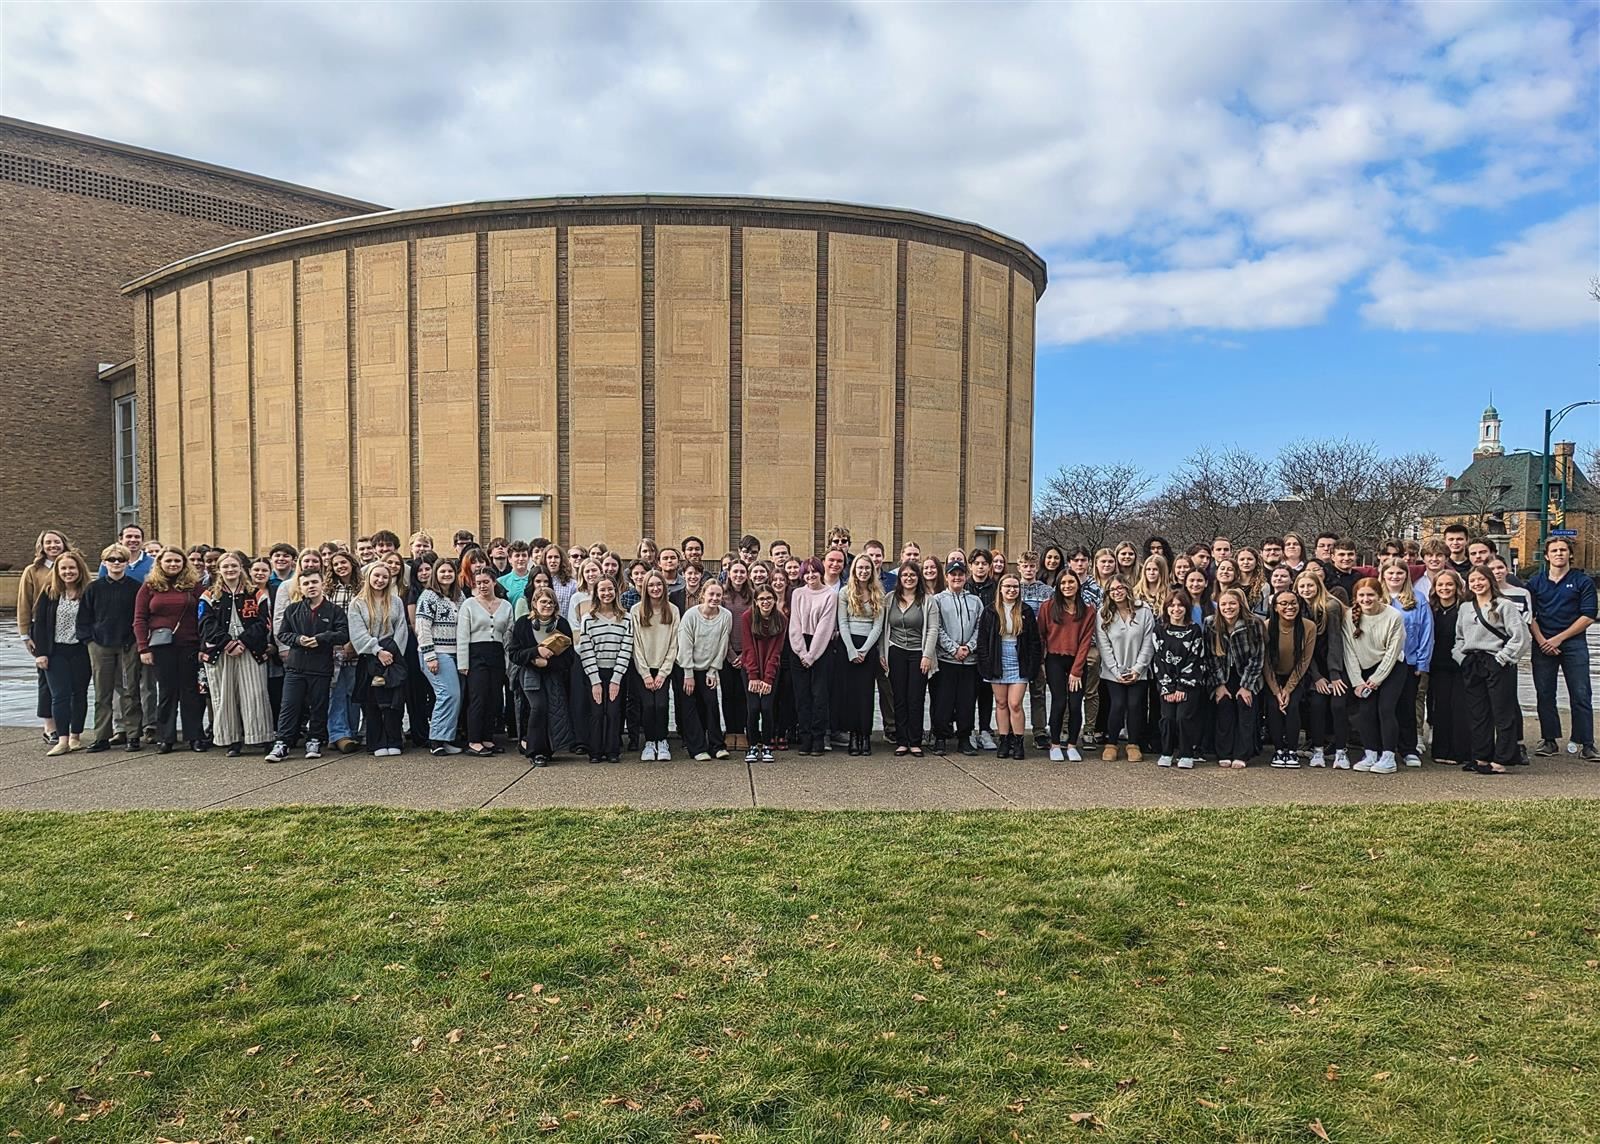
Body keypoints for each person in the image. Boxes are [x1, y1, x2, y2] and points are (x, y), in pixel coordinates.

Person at [265, 569, 347, 763]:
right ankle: (282, 743)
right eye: (306, 583)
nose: (311, 586)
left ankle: (315, 739)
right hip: (296, 666)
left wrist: (321, 638)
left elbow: (344, 633)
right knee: (289, 705)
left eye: (314, 582)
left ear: (322, 584)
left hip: (321, 666)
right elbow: (283, 634)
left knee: (319, 705)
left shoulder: (334, 611)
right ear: (300, 587)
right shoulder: (292, 610)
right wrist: (298, 639)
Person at [197, 550, 274, 756]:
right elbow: (206, 624)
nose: (230, 570)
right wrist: (227, 644)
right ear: (219, 570)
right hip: (221, 652)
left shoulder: (257, 594)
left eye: (234, 566)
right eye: (226, 566)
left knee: (255, 693)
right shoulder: (209, 595)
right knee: (225, 695)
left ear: (241, 568)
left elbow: (264, 623)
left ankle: (261, 736)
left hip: (250, 649)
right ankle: (232, 740)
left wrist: (242, 642)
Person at [1526, 537, 1597, 759]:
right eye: (1554, 551)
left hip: (1573, 643)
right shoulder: (1535, 583)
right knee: (1545, 693)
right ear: (1546, 555)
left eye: (1563, 550)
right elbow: (1530, 615)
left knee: (1581, 693)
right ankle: (1549, 740)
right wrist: (1542, 640)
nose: (1559, 554)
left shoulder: (1582, 582)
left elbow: (1588, 616)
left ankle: (1586, 742)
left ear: (1569, 554)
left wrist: (1559, 639)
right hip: (1543, 644)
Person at [1454, 566, 1528, 775]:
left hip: (1497, 661)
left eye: (1481, 580)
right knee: (1478, 713)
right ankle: (1481, 756)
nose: (1477, 584)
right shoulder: (1465, 607)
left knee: (1502, 712)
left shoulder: (1505, 606)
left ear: (1489, 581)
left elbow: (1520, 637)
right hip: (1472, 661)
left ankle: (1502, 758)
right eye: (1473, 580)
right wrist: (1461, 657)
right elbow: (1459, 637)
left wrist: (1502, 658)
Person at [134, 546, 205, 755]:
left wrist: (204, 645)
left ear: (184, 563)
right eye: (169, 561)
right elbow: (139, 619)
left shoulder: (194, 586)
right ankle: (165, 737)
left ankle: (195, 736)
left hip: (190, 645)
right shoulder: (149, 587)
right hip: (161, 647)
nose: (173, 564)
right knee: (166, 691)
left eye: (177, 561)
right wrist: (142, 647)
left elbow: (205, 615)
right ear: (160, 563)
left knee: (191, 691)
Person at [81, 543, 144, 752]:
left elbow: (141, 616)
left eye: (120, 560)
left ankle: (133, 735)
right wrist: (90, 640)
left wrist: (136, 640)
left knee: (130, 690)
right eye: (112, 560)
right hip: (100, 645)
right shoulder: (94, 588)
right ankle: (101, 737)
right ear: (104, 563)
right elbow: (84, 618)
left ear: (127, 562)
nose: (116, 563)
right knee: (102, 693)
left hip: (128, 644)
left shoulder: (136, 588)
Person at [32, 548, 93, 756]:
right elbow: (39, 624)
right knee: (60, 695)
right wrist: (40, 653)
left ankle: (76, 736)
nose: (68, 572)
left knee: (80, 694)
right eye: (64, 568)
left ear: (79, 570)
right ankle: (62, 739)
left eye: (72, 568)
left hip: (81, 650)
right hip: (55, 650)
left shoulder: (88, 592)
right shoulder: (50, 592)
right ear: (57, 571)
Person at [1343, 577, 1405, 774]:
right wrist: (1357, 682)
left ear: (1380, 596)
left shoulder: (1394, 616)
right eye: (1361, 595)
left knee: (1385, 709)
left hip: (1391, 667)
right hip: (1363, 669)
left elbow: (1393, 652)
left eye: (1371, 595)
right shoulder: (1349, 616)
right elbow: (1349, 651)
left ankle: (1388, 756)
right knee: (1365, 711)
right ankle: (1370, 753)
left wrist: (1376, 680)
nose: (1366, 599)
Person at [977, 573, 1043, 759]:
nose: (1012, 590)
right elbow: (982, 641)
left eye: (1015, 587)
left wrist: (1032, 667)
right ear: (1000, 589)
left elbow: (1034, 642)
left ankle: (1018, 741)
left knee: (1015, 703)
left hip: (1018, 660)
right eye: (1007, 586)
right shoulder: (990, 611)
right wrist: (985, 663)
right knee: (1001, 703)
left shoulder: (1026, 611)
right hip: (997, 659)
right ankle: (1004, 740)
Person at [507, 587, 576, 766]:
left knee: (554, 708)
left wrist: (549, 663)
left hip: (553, 674)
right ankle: (535, 751)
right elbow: (514, 654)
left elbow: (569, 658)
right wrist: (536, 652)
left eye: (551, 602)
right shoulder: (523, 624)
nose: (547, 605)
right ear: (534, 604)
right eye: (543, 601)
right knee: (538, 707)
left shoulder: (562, 625)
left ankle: (549, 749)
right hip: (529, 674)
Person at [349, 562, 409, 757]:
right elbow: (357, 632)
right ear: (369, 577)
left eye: (385, 577)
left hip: (393, 657)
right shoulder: (357, 603)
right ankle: (376, 743)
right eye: (376, 576)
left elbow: (401, 628)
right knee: (373, 703)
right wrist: (377, 650)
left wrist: (393, 653)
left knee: (393, 703)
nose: (380, 580)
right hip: (369, 657)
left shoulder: (396, 601)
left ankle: (394, 741)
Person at [881, 561, 939, 758]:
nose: (909, 578)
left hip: (918, 653)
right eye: (905, 575)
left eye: (912, 575)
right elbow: (883, 630)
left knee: (915, 697)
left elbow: (932, 629)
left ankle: (915, 741)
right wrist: (883, 654)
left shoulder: (928, 600)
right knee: (899, 698)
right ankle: (902, 741)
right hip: (896, 651)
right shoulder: (889, 599)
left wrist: (927, 655)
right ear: (900, 578)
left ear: (918, 577)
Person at [1095, 578, 1155, 762]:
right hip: (1113, 672)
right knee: (1118, 704)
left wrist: (1137, 669)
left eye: (1120, 587)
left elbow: (1148, 642)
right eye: (1112, 589)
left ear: (1128, 589)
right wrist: (1116, 671)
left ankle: (1133, 744)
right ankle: (1111, 743)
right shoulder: (1103, 614)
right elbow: (1103, 646)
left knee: (1136, 705)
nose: (1117, 592)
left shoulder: (1144, 611)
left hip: (1139, 670)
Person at [1037, 569, 1095, 762]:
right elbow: (1041, 636)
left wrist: (1076, 671)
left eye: (1071, 582)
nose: (1067, 586)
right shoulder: (1048, 607)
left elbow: (1086, 641)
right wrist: (1042, 662)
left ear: (1078, 585)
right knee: (1059, 701)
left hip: (1076, 662)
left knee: (1076, 704)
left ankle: (1071, 744)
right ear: (1058, 586)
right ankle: (1054, 744)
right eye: (1063, 583)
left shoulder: (1087, 610)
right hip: (1054, 660)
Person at [18, 529, 69, 747]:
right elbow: (24, 603)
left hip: (68, 628)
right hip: (42, 629)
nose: (53, 546)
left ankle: (69, 727)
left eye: (57, 542)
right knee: (45, 679)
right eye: (48, 543)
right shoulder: (33, 571)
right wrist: (25, 634)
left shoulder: (70, 565)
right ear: (42, 546)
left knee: (67, 681)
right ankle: (49, 726)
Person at [1381, 558, 1433, 767]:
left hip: (1409, 662)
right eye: (1391, 573)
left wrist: (1422, 663)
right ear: (1383, 575)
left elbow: (1427, 633)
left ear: (1406, 576)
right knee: (1384, 708)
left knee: (1407, 706)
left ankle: (1408, 748)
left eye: (1399, 573)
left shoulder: (1418, 599)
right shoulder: (1377, 598)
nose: (1395, 577)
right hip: (1380, 663)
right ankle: (1385, 747)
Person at [1295, 571, 1349, 769]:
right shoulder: (1298, 608)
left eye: (1310, 585)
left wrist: (1334, 675)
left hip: (1335, 664)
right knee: (1317, 705)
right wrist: (1316, 677)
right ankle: (1317, 750)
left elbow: (1335, 641)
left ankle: (1341, 751)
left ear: (1318, 586)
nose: (1306, 590)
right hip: (1312, 667)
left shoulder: (1330, 606)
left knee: (1338, 705)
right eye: (1302, 587)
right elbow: (1303, 649)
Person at [1206, 588, 1264, 769]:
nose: (1228, 607)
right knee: (1224, 706)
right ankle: (1224, 752)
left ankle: (1242, 753)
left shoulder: (1253, 623)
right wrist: (1219, 685)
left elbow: (1257, 657)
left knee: (1244, 704)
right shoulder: (1211, 624)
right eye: (1223, 604)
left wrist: (1246, 686)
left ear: (1240, 605)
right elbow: (1210, 657)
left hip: (1247, 675)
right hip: (1222, 674)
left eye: (1232, 603)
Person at [457, 566, 512, 757]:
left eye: (486, 582)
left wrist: (507, 662)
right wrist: (463, 663)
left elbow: (507, 636)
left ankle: (488, 738)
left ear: (494, 582)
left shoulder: (505, 605)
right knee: (478, 697)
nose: (482, 586)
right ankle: (474, 740)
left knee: (494, 697)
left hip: (496, 653)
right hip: (475, 653)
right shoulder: (469, 604)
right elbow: (462, 635)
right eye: (478, 582)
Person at [577, 576, 632, 764]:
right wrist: (595, 681)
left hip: (617, 671)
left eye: (610, 589)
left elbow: (626, 648)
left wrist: (616, 678)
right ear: (596, 593)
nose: (607, 593)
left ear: (616, 592)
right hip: (595, 672)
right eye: (602, 590)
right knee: (597, 712)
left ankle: (612, 750)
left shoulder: (626, 618)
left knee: (614, 711)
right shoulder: (588, 619)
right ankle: (595, 750)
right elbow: (586, 650)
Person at [1151, 592, 1210, 769]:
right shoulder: (1159, 630)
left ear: (1187, 608)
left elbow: (1196, 658)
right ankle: (1167, 752)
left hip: (1189, 684)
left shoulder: (1194, 630)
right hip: (1166, 684)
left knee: (1184, 717)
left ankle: (1186, 753)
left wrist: (1182, 686)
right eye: (1172, 606)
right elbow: (1159, 660)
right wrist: (1168, 687)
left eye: (1180, 606)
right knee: (1168, 718)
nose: (1176, 609)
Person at [836, 554, 887, 756]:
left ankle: (865, 735)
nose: (864, 571)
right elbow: (842, 622)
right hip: (848, 647)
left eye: (867, 568)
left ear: (872, 571)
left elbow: (878, 626)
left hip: (868, 647)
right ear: (854, 570)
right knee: (850, 695)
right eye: (860, 568)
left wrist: (865, 650)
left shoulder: (879, 593)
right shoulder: (844, 592)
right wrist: (851, 650)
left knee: (866, 695)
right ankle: (853, 736)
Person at [931, 558, 983, 757]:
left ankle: (964, 738)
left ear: (966, 576)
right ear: (946, 577)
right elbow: (937, 628)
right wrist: (954, 649)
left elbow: (980, 627)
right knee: (943, 701)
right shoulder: (938, 600)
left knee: (966, 701)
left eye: (960, 574)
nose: (957, 577)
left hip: (969, 661)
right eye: (953, 574)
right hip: (946, 659)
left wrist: (968, 648)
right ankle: (941, 738)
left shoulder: (975, 601)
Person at [788, 558, 838, 756]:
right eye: (806, 572)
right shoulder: (797, 594)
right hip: (799, 647)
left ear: (820, 572)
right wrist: (801, 652)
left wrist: (812, 655)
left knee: (819, 696)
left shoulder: (830, 595)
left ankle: (818, 738)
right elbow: (795, 624)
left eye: (814, 572)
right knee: (802, 696)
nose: (811, 576)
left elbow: (825, 627)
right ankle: (805, 737)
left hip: (821, 649)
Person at [678, 579, 732, 761]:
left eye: (718, 595)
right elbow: (685, 645)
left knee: (711, 704)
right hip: (688, 668)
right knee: (690, 707)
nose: (715, 598)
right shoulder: (691, 615)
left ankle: (717, 745)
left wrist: (713, 670)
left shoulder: (726, 616)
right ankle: (697, 748)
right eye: (711, 594)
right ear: (703, 595)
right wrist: (688, 674)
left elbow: (722, 644)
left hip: (709, 668)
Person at [1261, 591, 1316, 768]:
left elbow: (1304, 661)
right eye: (1283, 604)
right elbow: (1265, 663)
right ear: (1275, 608)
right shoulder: (1266, 626)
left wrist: (1287, 690)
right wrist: (1277, 691)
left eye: (1293, 603)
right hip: (1272, 676)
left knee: (1292, 705)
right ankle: (1278, 750)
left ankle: (1291, 750)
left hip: (1297, 675)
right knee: (1273, 706)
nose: (1289, 607)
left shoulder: (1308, 627)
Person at [416, 558, 464, 756]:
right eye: (442, 571)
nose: (446, 575)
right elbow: (422, 628)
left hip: (455, 654)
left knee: (455, 697)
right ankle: (435, 739)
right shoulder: (428, 597)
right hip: (436, 653)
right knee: (448, 694)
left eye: (450, 572)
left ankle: (446, 738)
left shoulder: (458, 597)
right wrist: (430, 656)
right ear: (435, 574)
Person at [629, 570, 679, 762]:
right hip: (643, 667)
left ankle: (662, 740)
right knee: (648, 705)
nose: (655, 588)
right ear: (645, 588)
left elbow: (674, 643)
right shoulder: (636, 611)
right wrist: (645, 673)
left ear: (664, 587)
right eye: (651, 585)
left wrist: (664, 672)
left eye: (659, 585)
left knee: (662, 703)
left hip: (663, 667)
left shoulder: (673, 610)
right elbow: (635, 645)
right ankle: (650, 742)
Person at [1426, 569, 1472, 767]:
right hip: (1437, 665)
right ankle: (1441, 749)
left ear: (1457, 587)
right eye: (1441, 585)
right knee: (1440, 707)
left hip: (1461, 664)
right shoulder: (1431, 609)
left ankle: (1460, 751)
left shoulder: (1465, 609)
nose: (1445, 588)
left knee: (1460, 708)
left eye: (1449, 585)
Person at [740, 585, 786, 763]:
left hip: (771, 670)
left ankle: (766, 745)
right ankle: (752, 745)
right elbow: (748, 648)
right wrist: (753, 675)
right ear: (756, 602)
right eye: (761, 599)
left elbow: (776, 651)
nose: (765, 602)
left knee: (766, 708)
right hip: (750, 668)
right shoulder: (747, 617)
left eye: (769, 598)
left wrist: (767, 678)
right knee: (753, 708)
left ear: (774, 600)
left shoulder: (781, 619)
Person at [324, 551, 363, 753]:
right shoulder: (328, 590)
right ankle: (339, 733)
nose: (340, 566)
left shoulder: (362, 587)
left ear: (352, 563)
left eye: (344, 562)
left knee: (353, 691)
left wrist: (355, 643)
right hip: (335, 647)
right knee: (336, 690)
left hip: (358, 645)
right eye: (336, 564)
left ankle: (350, 732)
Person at [1018, 551, 1054, 748]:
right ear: (1019, 567)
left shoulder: (1047, 591)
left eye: (1032, 566)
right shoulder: (1013, 587)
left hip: (1040, 645)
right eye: (1025, 565)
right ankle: (1015, 731)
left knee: (1038, 690)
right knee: (1014, 692)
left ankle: (1040, 730)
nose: (1029, 569)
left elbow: (1052, 620)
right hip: (1017, 645)